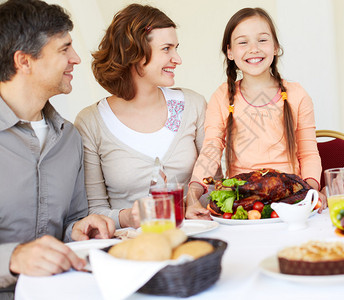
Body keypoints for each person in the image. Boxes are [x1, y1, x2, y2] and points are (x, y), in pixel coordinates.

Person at [0, 0, 115, 294]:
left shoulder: (70, 138)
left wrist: (79, 229)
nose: (76, 58)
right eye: (64, 49)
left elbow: (71, 221)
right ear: (23, 61)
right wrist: (12, 258)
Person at [74, 4, 208, 229]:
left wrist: (188, 204)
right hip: (131, 249)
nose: (177, 58)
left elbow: (215, 185)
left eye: (176, 48)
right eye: (167, 49)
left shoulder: (193, 105)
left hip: (198, 238)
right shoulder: (90, 122)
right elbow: (94, 210)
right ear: (133, 52)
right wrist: (128, 217)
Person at [185, 7, 322, 219]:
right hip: (242, 200)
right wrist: (193, 194)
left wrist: (310, 191)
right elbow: (211, 149)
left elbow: (308, 153)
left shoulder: (297, 94)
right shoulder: (222, 96)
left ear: (276, 47)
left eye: (262, 40)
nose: (253, 49)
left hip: (290, 200)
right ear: (230, 52)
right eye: (243, 42)